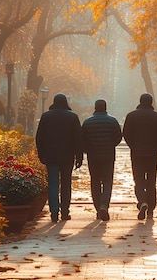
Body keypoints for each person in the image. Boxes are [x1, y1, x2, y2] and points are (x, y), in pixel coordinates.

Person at [36, 93, 82, 223]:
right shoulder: (73, 117)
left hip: (50, 156)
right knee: (66, 184)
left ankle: (54, 212)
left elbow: (39, 138)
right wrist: (79, 156)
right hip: (67, 156)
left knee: (53, 183)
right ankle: (65, 212)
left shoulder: (46, 117)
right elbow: (78, 139)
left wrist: (41, 154)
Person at [123, 93, 157, 220]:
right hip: (152, 153)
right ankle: (150, 208)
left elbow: (126, 134)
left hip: (137, 153)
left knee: (138, 179)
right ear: (151, 102)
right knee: (151, 180)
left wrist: (133, 145)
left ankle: (142, 201)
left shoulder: (131, 116)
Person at [81, 99, 123, 221]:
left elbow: (82, 139)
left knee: (95, 181)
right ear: (105, 107)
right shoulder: (112, 121)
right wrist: (110, 145)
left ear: (95, 107)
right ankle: (104, 205)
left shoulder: (87, 122)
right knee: (107, 182)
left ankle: (98, 208)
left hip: (93, 156)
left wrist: (87, 149)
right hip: (108, 156)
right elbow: (118, 137)